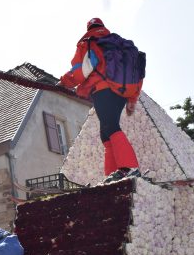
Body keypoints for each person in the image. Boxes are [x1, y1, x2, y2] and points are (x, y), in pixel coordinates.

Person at [59, 18, 141, 183]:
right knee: (106, 133)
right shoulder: (120, 45)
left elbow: (81, 71)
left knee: (111, 127)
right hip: (122, 92)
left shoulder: (88, 43)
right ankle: (113, 175)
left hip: (102, 90)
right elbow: (136, 73)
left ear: (89, 28)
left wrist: (64, 82)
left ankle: (129, 168)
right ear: (103, 27)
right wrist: (132, 99)